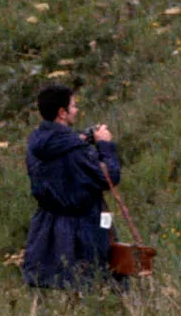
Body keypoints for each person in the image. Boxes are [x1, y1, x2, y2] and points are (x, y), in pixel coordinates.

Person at [22, 85, 122, 290]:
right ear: (62, 112)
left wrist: (83, 139)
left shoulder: (35, 144)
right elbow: (109, 177)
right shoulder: (75, 150)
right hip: (83, 228)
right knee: (94, 285)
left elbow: (61, 149)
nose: (76, 110)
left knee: (54, 288)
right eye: (74, 106)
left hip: (47, 227)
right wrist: (105, 145)